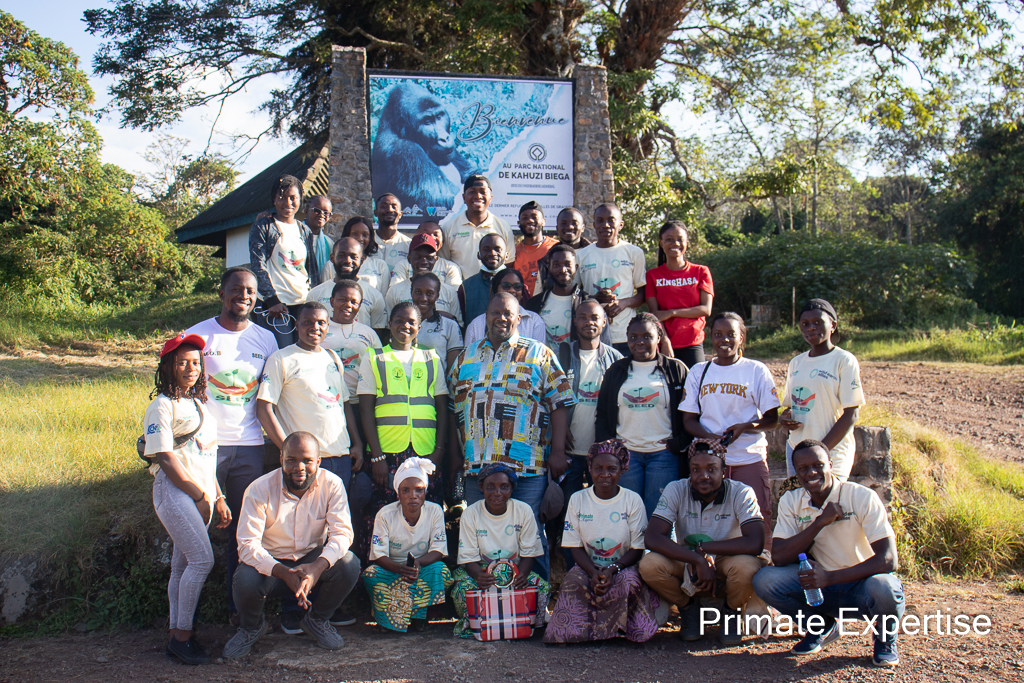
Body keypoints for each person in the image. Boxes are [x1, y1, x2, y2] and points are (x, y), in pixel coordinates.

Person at [449, 292, 576, 580]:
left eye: (508, 313)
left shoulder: (539, 354)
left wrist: (558, 452)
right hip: (478, 465)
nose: (501, 318)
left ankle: (537, 604)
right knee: (481, 537)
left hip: (527, 465)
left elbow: (559, 402)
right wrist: (457, 455)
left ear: (519, 318)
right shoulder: (466, 356)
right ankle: (486, 608)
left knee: (529, 535)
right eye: (496, 312)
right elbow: (453, 408)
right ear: (485, 317)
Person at [753, 440, 904, 667]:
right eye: (802, 468)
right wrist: (819, 523)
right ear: (796, 472)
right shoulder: (791, 501)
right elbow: (781, 557)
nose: (811, 472)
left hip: (862, 585)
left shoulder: (861, 497)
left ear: (831, 465)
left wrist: (831, 577)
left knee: (886, 588)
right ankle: (821, 626)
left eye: (818, 465)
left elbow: (888, 559)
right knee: (765, 581)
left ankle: (885, 640)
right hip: (820, 588)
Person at [184, 267, 277, 621]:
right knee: (196, 531)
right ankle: (185, 619)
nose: (244, 296)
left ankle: (238, 612)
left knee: (244, 533)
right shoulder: (196, 336)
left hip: (251, 447)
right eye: (236, 289)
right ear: (222, 293)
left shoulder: (266, 339)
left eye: (251, 291)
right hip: (204, 448)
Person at [224, 432, 362, 657]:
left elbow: (343, 534)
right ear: (281, 459)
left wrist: (317, 567)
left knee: (349, 563)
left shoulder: (332, 485)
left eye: (307, 460)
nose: (300, 467)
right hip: (271, 567)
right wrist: (283, 572)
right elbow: (247, 545)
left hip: (310, 563)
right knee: (245, 578)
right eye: (291, 460)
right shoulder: (259, 489)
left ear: (318, 462)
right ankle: (252, 628)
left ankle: (317, 621)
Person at [142, 332, 229, 665]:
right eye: (182, 362)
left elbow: (207, 459)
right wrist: (199, 496)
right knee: (202, 561)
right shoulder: (160, 406)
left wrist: (217, 496)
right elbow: (165, 457)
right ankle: (182, 636)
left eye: (196, 362)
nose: (191, 368)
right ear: (168, 366)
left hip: (200, 493)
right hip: (175, 491)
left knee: (181, 567)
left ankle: (177, 635)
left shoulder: (199, 404)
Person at [639, 440, 766, 645]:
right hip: (688, 560)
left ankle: (731, 611)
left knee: (747, 567)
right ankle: (689, 609)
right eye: (696, 469)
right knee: (649, 565)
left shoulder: (742, 492)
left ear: (724, 471)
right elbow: (653, 537)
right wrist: (698, 559)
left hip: (728, 560)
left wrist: (705, 550)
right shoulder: (676, 489)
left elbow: (756, 542)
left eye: (712, 469)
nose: (703, 476)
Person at [679, 312, 779, 553]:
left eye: (731, 334)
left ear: (742, 337)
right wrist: (712, 441)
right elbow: (688, 420)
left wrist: (745, 426)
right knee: (711, 520)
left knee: (758, 516)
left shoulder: (756, 370)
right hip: (708, 463)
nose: (724, 340)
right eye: (717, 335)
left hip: (748, 457)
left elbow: (772, 419)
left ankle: (760, 567)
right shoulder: (699, 372)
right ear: (710, 338)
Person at [543, 440, 660, 644]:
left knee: (627, 583)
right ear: (589, 470)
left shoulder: (632, 500)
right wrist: (593, 572)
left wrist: (612, 569)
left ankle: (624, 631)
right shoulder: (578, 499)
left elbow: (637, 548)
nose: (605, 474)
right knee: (572, 581)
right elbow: (573, 545)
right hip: (589, 565)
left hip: (624, 566)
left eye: (612, 469)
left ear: (622, 470)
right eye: (598, 468)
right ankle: (577, 632)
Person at [356, 302, 448, 559]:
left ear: (419, 327)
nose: (404, 326)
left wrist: (439, 451)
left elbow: (441, 406)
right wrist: (376, 456)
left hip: (425, 451)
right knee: (382, 512)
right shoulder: (374, 357)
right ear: (389, 324)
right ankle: (377, 574)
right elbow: (365, 409)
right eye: (399, 320)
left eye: (411, 322)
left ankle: (424, 575)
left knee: (424, 512)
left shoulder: (431, 358)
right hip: (386, 452)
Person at [257, 302, 363, 493]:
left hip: (340, 457)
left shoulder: (332, 357)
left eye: (321, 323)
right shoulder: (281, 359)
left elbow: (344, 404)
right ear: (296, 324)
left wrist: (356, 444)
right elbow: (264, 409)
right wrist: (290, 453)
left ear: (327, 327)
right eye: (308, 322)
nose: (315, 328)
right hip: (305, 463)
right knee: (304, 519)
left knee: (335, 519)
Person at [549, 300, 622, 569]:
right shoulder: (561, 355)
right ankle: (571, 572)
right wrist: (559, 427)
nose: (589, 322)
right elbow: (550, 397)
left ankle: (602, 568)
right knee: (569, 513)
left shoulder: (615, 359)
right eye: (582, 317)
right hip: (569, 452)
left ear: (604, 322)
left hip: (601, 455)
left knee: (600, 512)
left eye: (595, 317)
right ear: (575, 322)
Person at [595, 313, 689, 519]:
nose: (640, 342)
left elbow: (691, 413)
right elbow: (602, 414)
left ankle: (657, 553)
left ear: (659, 338)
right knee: (629, 516)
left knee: (660, 517)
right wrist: (610, 446)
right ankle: (634, 552)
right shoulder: (616, 370)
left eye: (647, 336)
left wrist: (677, 443)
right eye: (634, 337)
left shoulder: (676, 369)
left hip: (664, 456)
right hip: (627, 456)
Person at [450, 463, 550, 638]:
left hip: (515, 572)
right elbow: (468, 559)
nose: (497, 493)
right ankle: (480, 625)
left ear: (512, 489)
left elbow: (528, 554)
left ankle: (520, 624)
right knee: (462, 591)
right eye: (491, 487)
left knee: (541, 588)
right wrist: (479, 577)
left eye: (504, 487)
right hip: (481, 572)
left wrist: (522, 577)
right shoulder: (471, 514)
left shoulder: (523, 511)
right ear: (481, 487)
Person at [363, 457, 452, 632]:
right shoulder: (385, 514)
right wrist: (400, 569)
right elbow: (378, 555)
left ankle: (417, 616)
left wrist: (417, 564)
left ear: (425, 492)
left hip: (422, 568)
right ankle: (391, 620)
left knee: (441, 571)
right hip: (392, 569)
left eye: (419, 490)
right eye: (406, 490)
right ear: (398, 493)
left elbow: (438, 550)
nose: (413, 495)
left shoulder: (434, 511)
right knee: (371, 575)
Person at [780, 299, 865, 482]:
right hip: (797, 451)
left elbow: (852, 414)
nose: (811, 327)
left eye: (818, 322)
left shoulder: (844, 360)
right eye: (805, 324)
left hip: (832, 452)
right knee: (800, 507)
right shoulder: (796, 363)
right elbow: (792, 406)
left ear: (833, 325)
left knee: (829, 507)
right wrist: (785, 418)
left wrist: (820, 451)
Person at [249, 174, 311, 347]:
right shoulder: (264, 226)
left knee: (302, 353)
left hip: (301, 303)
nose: (288, 203)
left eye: (293, 198)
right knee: (280, 353)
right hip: (276, 306)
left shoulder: (304, 230)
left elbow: (309, 268)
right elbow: (257, 264)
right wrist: (271, 299)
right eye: (282, 197)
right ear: (274, 199)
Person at [576, 203, 647, 355]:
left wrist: (623, 303)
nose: (605, 225)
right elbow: (575, 294)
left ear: (620, 224)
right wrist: (594, 299)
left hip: (625, 333)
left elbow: (643, 294)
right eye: (600, 220)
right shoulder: (582, 255)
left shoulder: (634, 253)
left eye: (611, 220)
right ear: (594, 224)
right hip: (594, 335)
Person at [645, 220, 714, 368]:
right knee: (667, 390)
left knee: (695, 388)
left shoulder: (701, 271)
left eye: (680, 239)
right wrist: (665, 341)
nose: (675, 243)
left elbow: (706, 309)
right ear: (661, 243)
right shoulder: (652, 275)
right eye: (669, 239)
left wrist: (671, 312)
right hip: (665, 344)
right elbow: (655, 314)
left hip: (693, 342)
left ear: (687, 243)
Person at [307, 237, 388, 338]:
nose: (348, 260)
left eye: (354, 257)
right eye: (341, 255)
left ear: (362, 261)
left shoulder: (375, 296)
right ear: (332, 258)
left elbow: (377, 337)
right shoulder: (315, 294)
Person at [439, 175, 515, 279]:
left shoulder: (503, 226)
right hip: (460, 292)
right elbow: (443, 265)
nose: (478, 196)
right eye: (472, 192)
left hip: (494, 291)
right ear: (464, 197)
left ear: (490, 197)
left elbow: (509, 263)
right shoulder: (448, 227)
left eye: (483, 192)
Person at [385, 233, 463, 325]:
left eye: (429, 258)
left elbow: (458, 327)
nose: (424, 261)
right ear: (409, 259)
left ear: (435, 259)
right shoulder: (395, 291)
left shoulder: (449, 292)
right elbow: (388, 329)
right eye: (418, 257)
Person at [524, 244, 591, 347]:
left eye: (568, 264)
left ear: (576, 268)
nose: (563, 270)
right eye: (556, 265)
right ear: (549, 268)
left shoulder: (588, 302)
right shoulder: (534, 304)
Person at [463, 268, 546, 348]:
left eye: (517, 286)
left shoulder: (535, 322)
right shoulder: (476, 324)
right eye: (506, 285)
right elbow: (467, 358)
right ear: (495, 289)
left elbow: (540, 355)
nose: (512, 290)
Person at [325, 216, 391, 297]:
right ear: (347, 234)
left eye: (365, 235)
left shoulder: (380, 265)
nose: (360, 238)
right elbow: (324, 293)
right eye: (354, 234)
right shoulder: (330, 265)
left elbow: (384, 298)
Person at [410, 272, 464, 371]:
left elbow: (453, 370)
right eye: (418, 292)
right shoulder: (402, 324)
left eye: (429, 293)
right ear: (411, 293)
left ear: (437, 296)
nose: (423, 298)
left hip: (437, 385)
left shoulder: (449, 325)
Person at [392, 221, 464, 287]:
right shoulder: (402, 265)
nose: (431, 238)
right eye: (426, 234)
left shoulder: (451, 268)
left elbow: (452, 294)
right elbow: (396, 291)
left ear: (443, 241)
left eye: (436, 234)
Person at [457, 232, 507, 325]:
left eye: (497, 249)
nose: (492, 253)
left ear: (506, 255)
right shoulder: (466, 287)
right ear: (479, 255)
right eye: (486, 249)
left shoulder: (517, 284)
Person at [513, 201, 559, 297]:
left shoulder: (556, 247)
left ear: (544, 221)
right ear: (518, 223)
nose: (529, 220)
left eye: (534, 217)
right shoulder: (514, 252)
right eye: (524, 218)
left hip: (550, 303)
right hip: (524, 307)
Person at [373, 193, 412, 273]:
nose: (389, 210)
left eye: (394, 207)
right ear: (376, 212)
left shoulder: (409, 245)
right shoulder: (367, 242)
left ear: (400, 214)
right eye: (383, 206)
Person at [304, 196, 335, 288]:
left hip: (320, 291)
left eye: (326, 213)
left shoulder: (329, 244)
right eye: (316, 210)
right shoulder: (295, 235)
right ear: (306, 212)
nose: (321, 215)